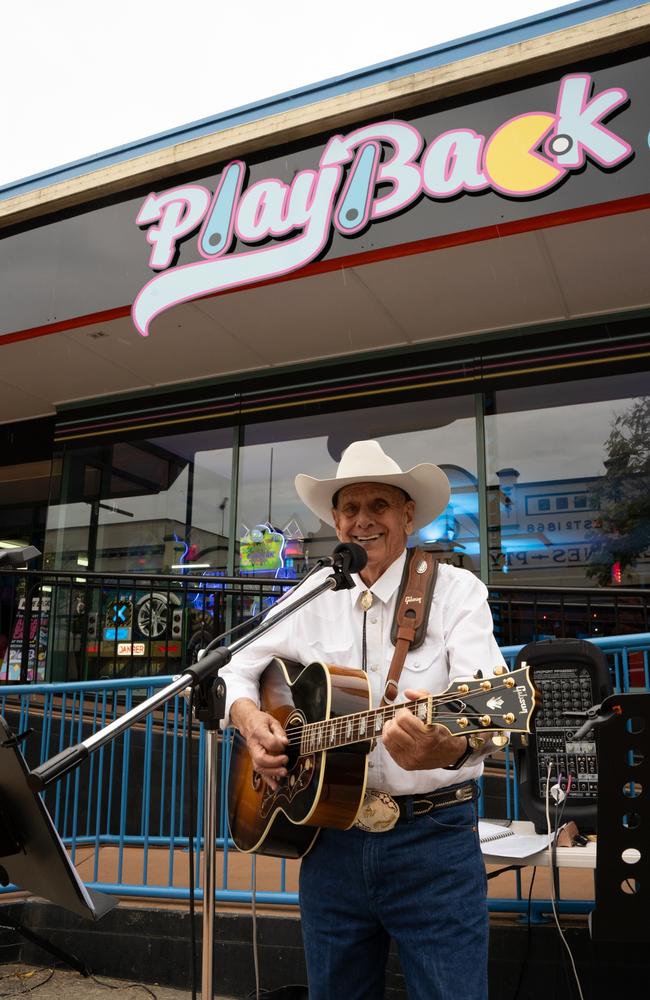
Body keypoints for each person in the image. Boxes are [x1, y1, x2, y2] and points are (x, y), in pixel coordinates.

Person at [221, 440, 506, 1000]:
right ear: (335, 520)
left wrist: (444, 748)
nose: (363, 520)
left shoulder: (456, 592)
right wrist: (252, 720)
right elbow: (236, 665)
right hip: (330, 844)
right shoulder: (312, 594)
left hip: (432, 842)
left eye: (379, 505)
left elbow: (489, 716)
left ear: (407, 515)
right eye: (350, 508)